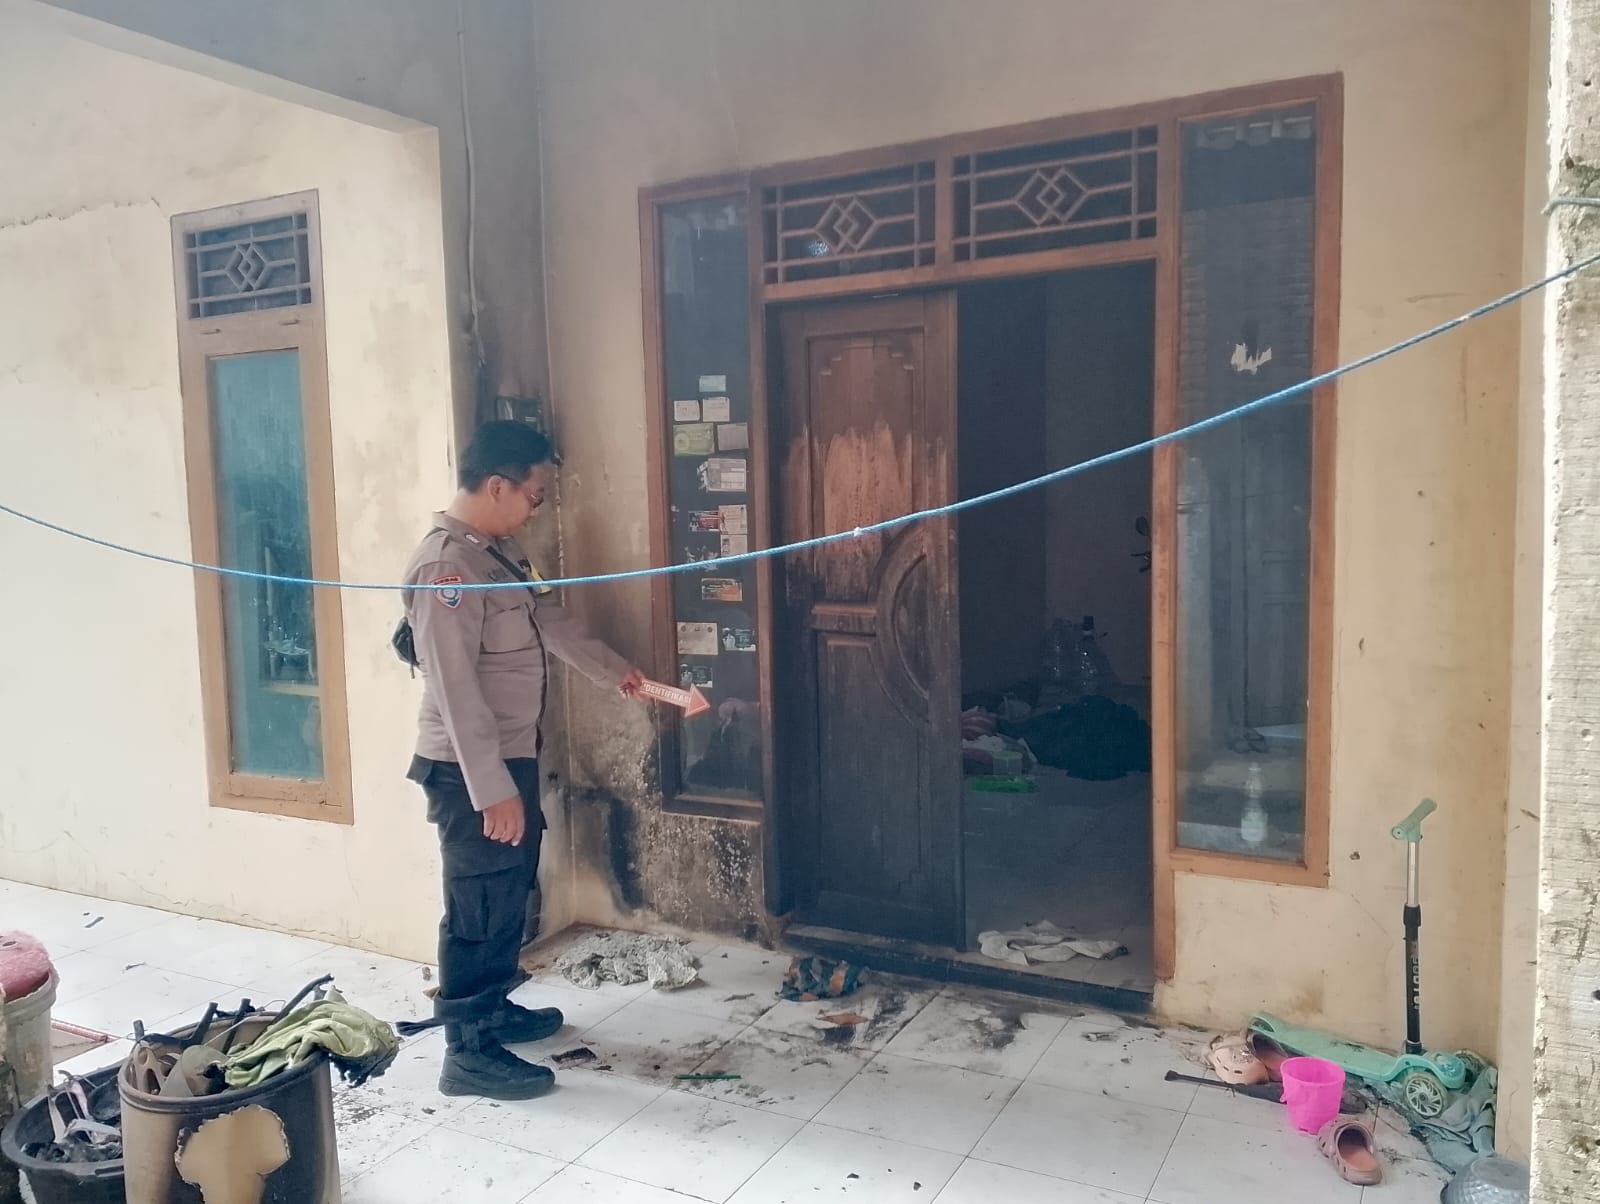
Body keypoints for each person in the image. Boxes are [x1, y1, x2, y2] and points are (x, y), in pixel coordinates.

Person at [400, 421, 643, 1100]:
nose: (538, 508)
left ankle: (494, 1009)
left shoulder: (499, 555)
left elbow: (548, 621)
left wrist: (614, 671)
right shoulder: (446, 568)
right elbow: (455, 688)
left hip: (511, 756)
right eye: (535, 495)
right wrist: (491, 789)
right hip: (468, 770)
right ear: (497, 485)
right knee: (477, 902)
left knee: (509, 888)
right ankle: (467, 1053)